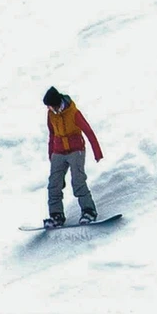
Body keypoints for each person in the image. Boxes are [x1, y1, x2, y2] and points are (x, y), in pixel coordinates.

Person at [42, 86, 103, 227]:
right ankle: (56, 215)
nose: (49, 109)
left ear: (57, 103)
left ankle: (89, 211)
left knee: (78, 181)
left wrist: (97, 152)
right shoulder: (51, 114)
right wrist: (51, 154)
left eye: (50, 106)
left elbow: (88, 131)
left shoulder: (73, 112)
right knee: (54, 184)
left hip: (76, 150)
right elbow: (52, 134)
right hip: (58, 151)